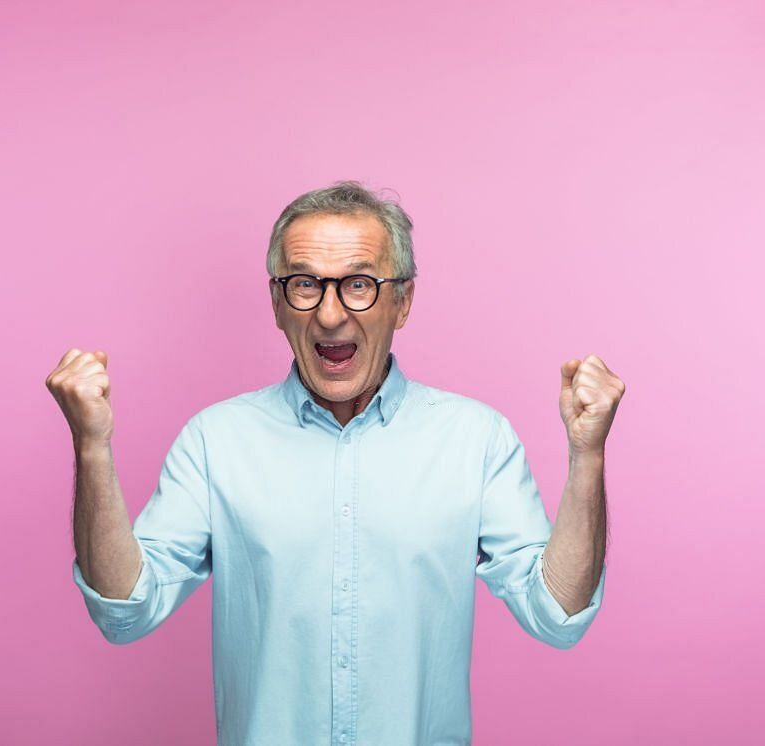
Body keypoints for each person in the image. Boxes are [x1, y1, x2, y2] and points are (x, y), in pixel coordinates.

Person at [45, 180, 625, 745]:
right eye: (304, 284)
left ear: (403, 301)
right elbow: (125, 610)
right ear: (277, 303)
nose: (329, 314)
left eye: (359, 284)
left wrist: (587, 456)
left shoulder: (477, 439)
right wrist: (92, 447)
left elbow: (558, 613)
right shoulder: (215, 441)